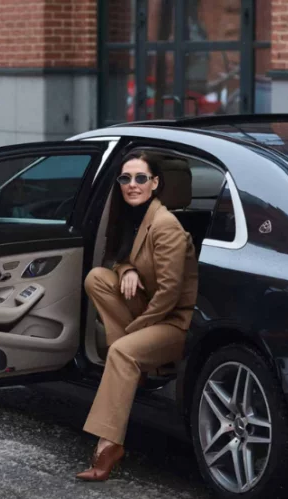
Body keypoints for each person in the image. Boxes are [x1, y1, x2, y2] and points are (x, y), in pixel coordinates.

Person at [77, 151, 199, 481]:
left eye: (140, 178)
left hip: (176, 322)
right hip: (151, 310)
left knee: (121, 351)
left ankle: (109, 444)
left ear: (155, 183)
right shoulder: (134, 217)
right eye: (125, 179)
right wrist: (128, 268)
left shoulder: (166, 226)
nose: (132, 185)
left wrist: (133, 331)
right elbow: (118, 258)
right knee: (98, 279)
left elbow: (170, 295)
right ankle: (136, 368)